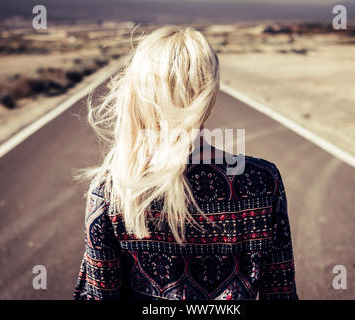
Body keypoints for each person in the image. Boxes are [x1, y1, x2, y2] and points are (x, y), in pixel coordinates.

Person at [73, 26, 297, 300]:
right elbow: (281, 293)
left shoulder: (114, 188)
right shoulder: (263, 180)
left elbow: (99, 296)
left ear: (140, 93)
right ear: (209, 95)